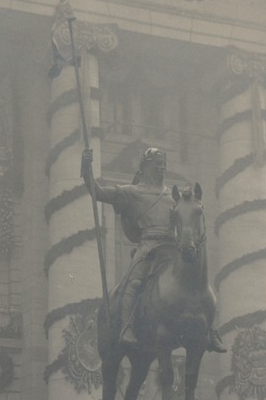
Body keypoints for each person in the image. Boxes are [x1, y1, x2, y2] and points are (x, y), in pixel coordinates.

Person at [81, 146, 225, 352]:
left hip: (173, 249)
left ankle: (210, 331)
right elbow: (99, 192)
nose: (162, 169)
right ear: (146, 167)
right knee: (134, 283)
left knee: (198, 283)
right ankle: (127, 327)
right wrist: (87, 169)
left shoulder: (172, 195)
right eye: (158, 165)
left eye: (164, 165)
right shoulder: (131, 192)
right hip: (148, 249)